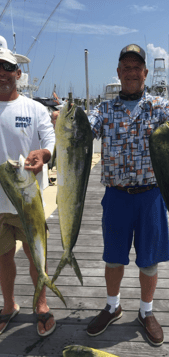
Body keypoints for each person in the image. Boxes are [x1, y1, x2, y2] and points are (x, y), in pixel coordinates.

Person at [86, 44, 169, 346]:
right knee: (113, 258)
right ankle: (112, 306)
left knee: (149, 260)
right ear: (118, 72)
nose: (131, 72)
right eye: (125, 66)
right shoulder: (104, 109)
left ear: (145, 72)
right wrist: (66, 121)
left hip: (152, 194)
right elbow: (86, 128)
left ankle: (146, 311)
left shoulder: (160, 106)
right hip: (116, 195)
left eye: (136, 67)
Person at [0, 47, 56, 336]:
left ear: (18, 74)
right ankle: (9, 305)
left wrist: (44, 154)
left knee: (38, 258)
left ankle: (41, 305)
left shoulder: (34, 108)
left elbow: (50, 138)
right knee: (3, 257)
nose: (1, 73)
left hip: (29, 200)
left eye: (7, 68)